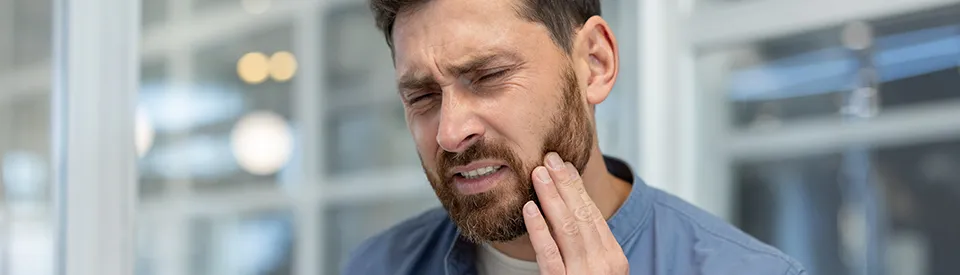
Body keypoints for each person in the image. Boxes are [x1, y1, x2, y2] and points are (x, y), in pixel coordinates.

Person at [343, 0, 807, 274]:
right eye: (422, 96)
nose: (449, 132)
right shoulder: (376, 265)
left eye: (488, 75)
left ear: (595, 63)